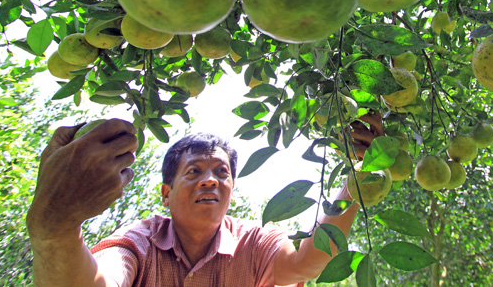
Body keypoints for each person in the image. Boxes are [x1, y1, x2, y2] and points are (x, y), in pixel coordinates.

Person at [26, 118, 360, 286]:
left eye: (222, 172)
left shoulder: (254, 243)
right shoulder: (140, 243)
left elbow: (309, 261)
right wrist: (55, 229)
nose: (211, 179)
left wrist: (358, 175)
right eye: (194, 171)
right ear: (166, 194)